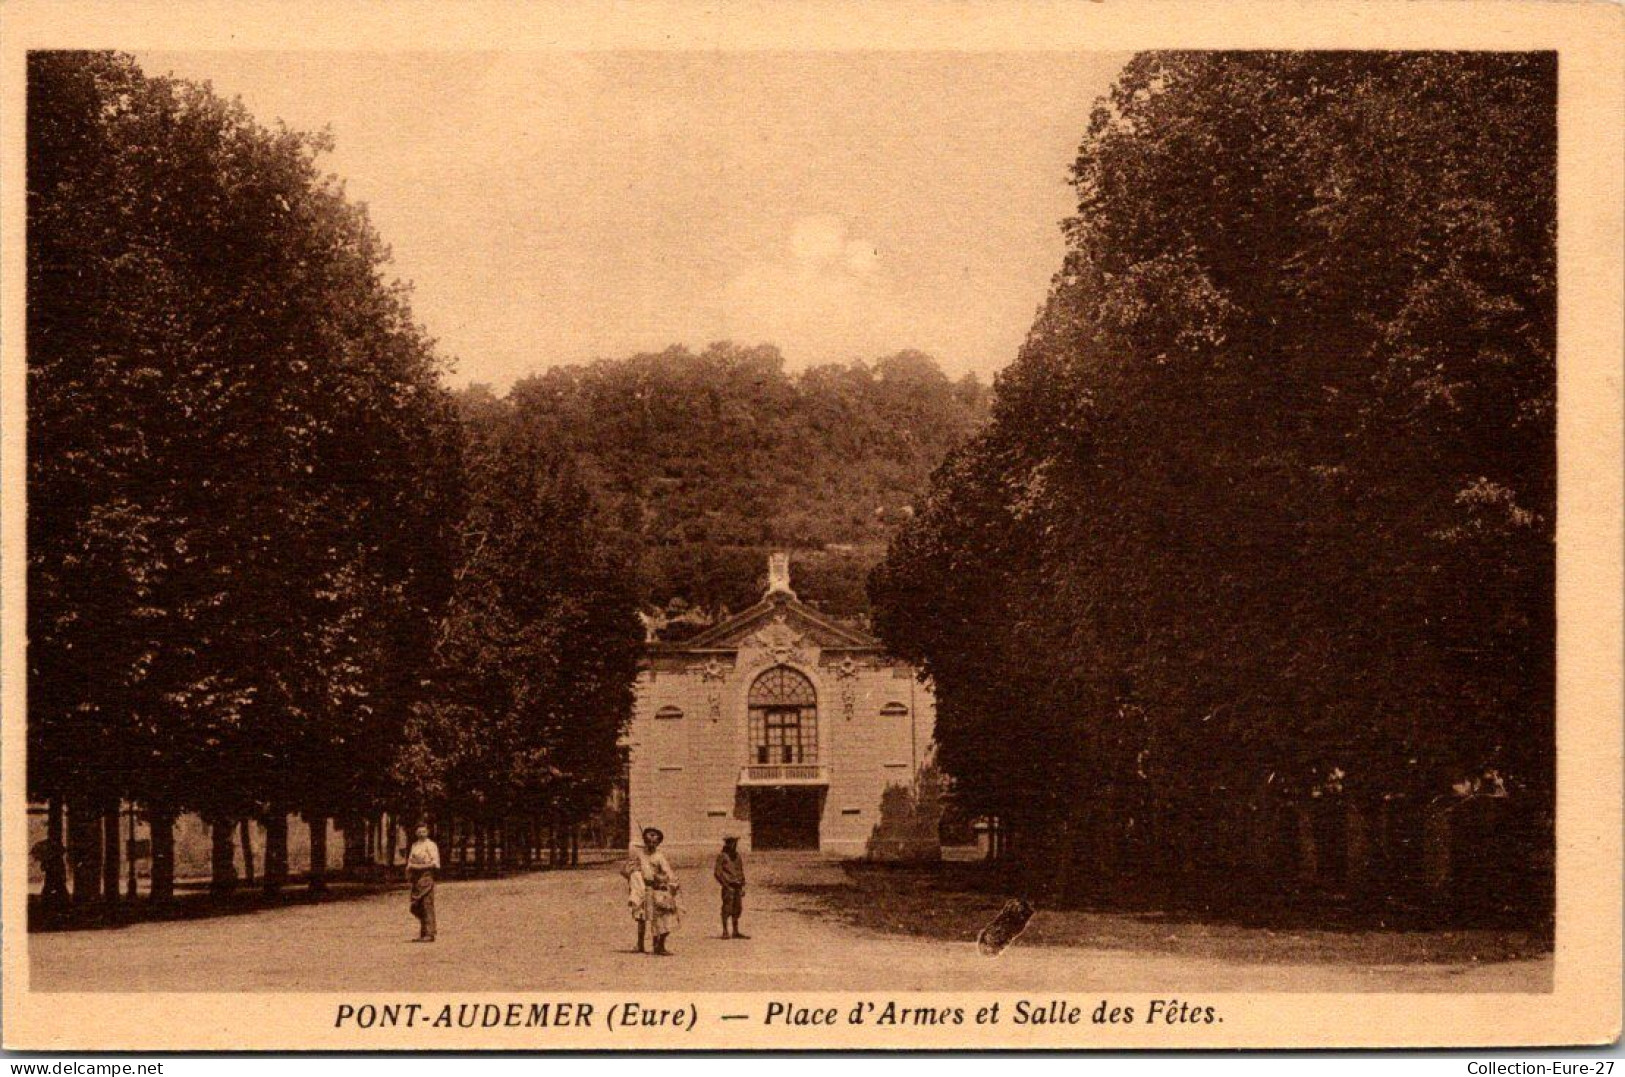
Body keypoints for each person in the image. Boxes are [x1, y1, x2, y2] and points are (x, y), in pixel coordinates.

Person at [623, 826, 680, 955]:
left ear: (658, 842)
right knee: (641, 918)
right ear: (644, 841)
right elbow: (626, 870)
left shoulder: (659, 857)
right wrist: (633, 874)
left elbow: (668, 873)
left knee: (659, 918)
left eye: (654, 842)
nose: (651, 844)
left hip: (656, 890)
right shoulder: (639, 855)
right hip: (642, 889)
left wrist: (669, 882)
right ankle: (640, 944)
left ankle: (658, 945)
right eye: (648, 841)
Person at [405, 824, 440, 942]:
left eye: (424, 831)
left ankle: (429, 933)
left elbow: (435, 863)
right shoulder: (414, 845)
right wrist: (410, 872)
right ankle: (424, 929)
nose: (421, 834)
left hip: (426, 876)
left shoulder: (431, 845)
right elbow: (410, 862)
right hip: (416, 878)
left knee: (427, 904)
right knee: (415, 906)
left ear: (427, 832)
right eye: (419, 831)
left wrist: (419, 866)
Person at [713, 835, 748, 939]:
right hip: (729, 886)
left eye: (735, 843)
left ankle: (735, 931)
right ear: (727, 844)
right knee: (727, 908)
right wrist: (725, 884)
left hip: (738, 886)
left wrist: (743, 885)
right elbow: (717, 873)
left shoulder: (737, 856)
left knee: (737, 909)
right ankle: (725, 931)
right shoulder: (722, 856)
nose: (734, 845)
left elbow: (740, 871)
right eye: (732, 843)